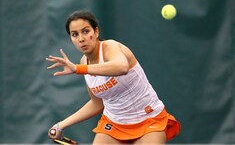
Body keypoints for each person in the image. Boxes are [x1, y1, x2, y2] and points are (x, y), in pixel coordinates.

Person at [46, 10, 181, 144]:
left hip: (148, 118)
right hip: (114, 124)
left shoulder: (110, 47)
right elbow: (97, 103)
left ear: (96, 32)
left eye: (86, 31)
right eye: (75, 34)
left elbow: (121, 67)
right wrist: (60, 125)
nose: (81, 39)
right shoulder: (83, 62)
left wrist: (77, 69)